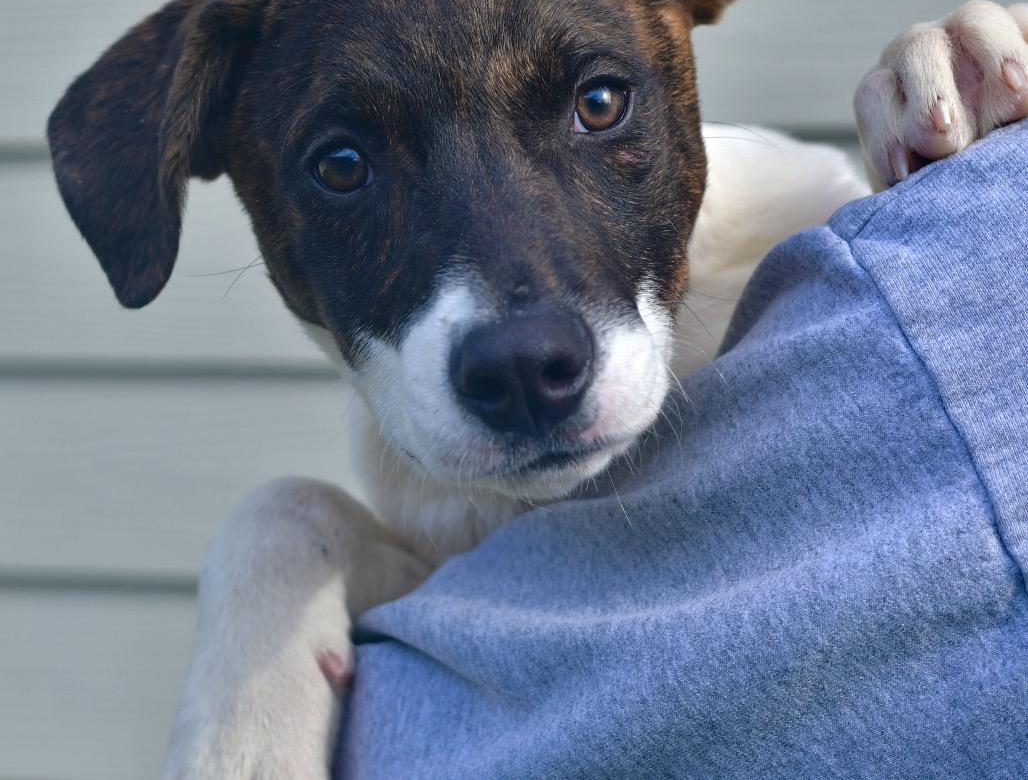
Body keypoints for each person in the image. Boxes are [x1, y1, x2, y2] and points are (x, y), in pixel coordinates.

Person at [334, 106, 1028, 775]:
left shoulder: (812, 223)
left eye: (597, 105)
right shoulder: (409, 478)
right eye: (342, 167)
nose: (522, 353)